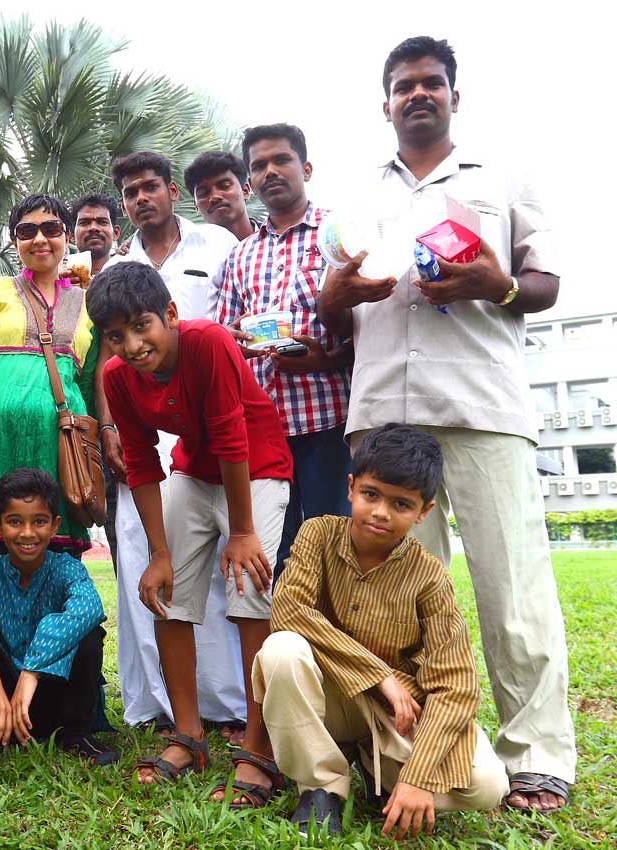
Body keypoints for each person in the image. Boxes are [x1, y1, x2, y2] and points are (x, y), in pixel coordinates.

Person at [316, 35, 575, 812]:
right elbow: (329, 306)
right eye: (404, 86)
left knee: (512, 586)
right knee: (393, 602)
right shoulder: (357, 195)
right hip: (383, 416)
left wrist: (497, 285)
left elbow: (545, 283)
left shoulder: (502, 178)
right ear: (386, 103)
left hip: (482, 405)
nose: (418, 94)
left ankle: (535, 757)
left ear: (455, 97)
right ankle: (408, 756)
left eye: (431, 83)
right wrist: (338, 297)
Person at [87, 262, 292, 806]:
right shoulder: (117, 377)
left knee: (250, 592)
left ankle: (260, 747)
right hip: (194, 472)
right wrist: (158, 553)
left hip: (257, 467)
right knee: (168, 592)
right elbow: (140, 464)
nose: (133, 346)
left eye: (142, 326)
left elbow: (231, 436)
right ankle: (188, 735)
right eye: (116, 336)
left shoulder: (208, 342)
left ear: (171, 315)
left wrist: (242, 532)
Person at [261, 424, 508, 837]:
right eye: (371, 494)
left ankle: (386, 780)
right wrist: (378, 674)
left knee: (487, 784)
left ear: (424, 511)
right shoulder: (317, 534)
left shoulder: (428, 574)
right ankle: (322, 788)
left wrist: (419, 778)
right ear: (351, 487)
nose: (380, 512)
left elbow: (456, 685)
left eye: (401, 504)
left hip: (395, 716)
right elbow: (289, 610)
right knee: (281, 650)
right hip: (328, 698)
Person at [101, 151, 246, 737]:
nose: (141, 198)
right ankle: (158, 706)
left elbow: (243, 318)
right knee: (149, 558)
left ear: (170, 191)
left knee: (224, 562)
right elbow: (109, 355)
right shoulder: (119, 264)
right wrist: (110, 427)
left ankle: (230, 705)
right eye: (130, 192)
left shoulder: (217, 243)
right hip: (144, 425)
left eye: (150, 187)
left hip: (218, 421)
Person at [216, 124, 352, 583]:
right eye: (259, 166)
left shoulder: (337, 233)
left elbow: (370, 324)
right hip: (263, 429)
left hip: (328, 421)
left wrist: (326, 359)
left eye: (281, 160)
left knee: (335, 549)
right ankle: (284, 632)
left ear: (306, 168)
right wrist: (237, 338)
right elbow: (225, 336)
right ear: (250, 181)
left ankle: (336, 632)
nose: (270, 171)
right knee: (275, 555)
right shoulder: (240, 255)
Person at [0, 194, 99, 570]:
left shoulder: (90, 304)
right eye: (27, 231)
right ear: (15, 241)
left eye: (51, 228)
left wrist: (93, 452)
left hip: (57, 458)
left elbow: (89, 386)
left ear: (67, 236)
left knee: (54, 580)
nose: (40, 239)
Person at [0, 468, 116, 766]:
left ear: (55, 526)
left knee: (89, 633)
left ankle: (75, 734)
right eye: (15, 521)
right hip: (0, 702)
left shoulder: (66, 568)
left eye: (39, 521)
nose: (28, 533)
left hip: (56, 697)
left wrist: (33, 670)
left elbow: (89, 607)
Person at [70, 192, 122, 572]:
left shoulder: (127, 277)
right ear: (71, 233)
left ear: (115, 232)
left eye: (101, 222)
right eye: (84, 222)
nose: (93, 228)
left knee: (124, 527)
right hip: (71, 424)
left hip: (119, 421)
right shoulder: (58, 285)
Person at [183, 151, 261, 240]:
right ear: (196, 207)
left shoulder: (274, 240)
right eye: (203, 193)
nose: (215, 197)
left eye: (225, 186)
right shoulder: (190, 248)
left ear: (245, 191)